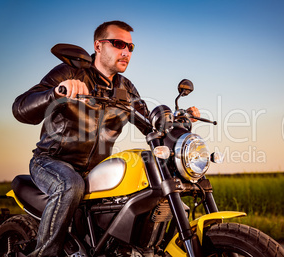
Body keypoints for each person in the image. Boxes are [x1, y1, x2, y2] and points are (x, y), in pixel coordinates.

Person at [12, 20, 199, 257]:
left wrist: (180, 124)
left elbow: (150, 127)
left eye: (131, 47)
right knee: (70, 185)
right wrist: (56, 92)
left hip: (95, 169)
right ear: (98, 46)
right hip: (52, 162)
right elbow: (20, 108)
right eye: (118, 44)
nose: (126, 52)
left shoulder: (126, 89)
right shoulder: (70, 72)